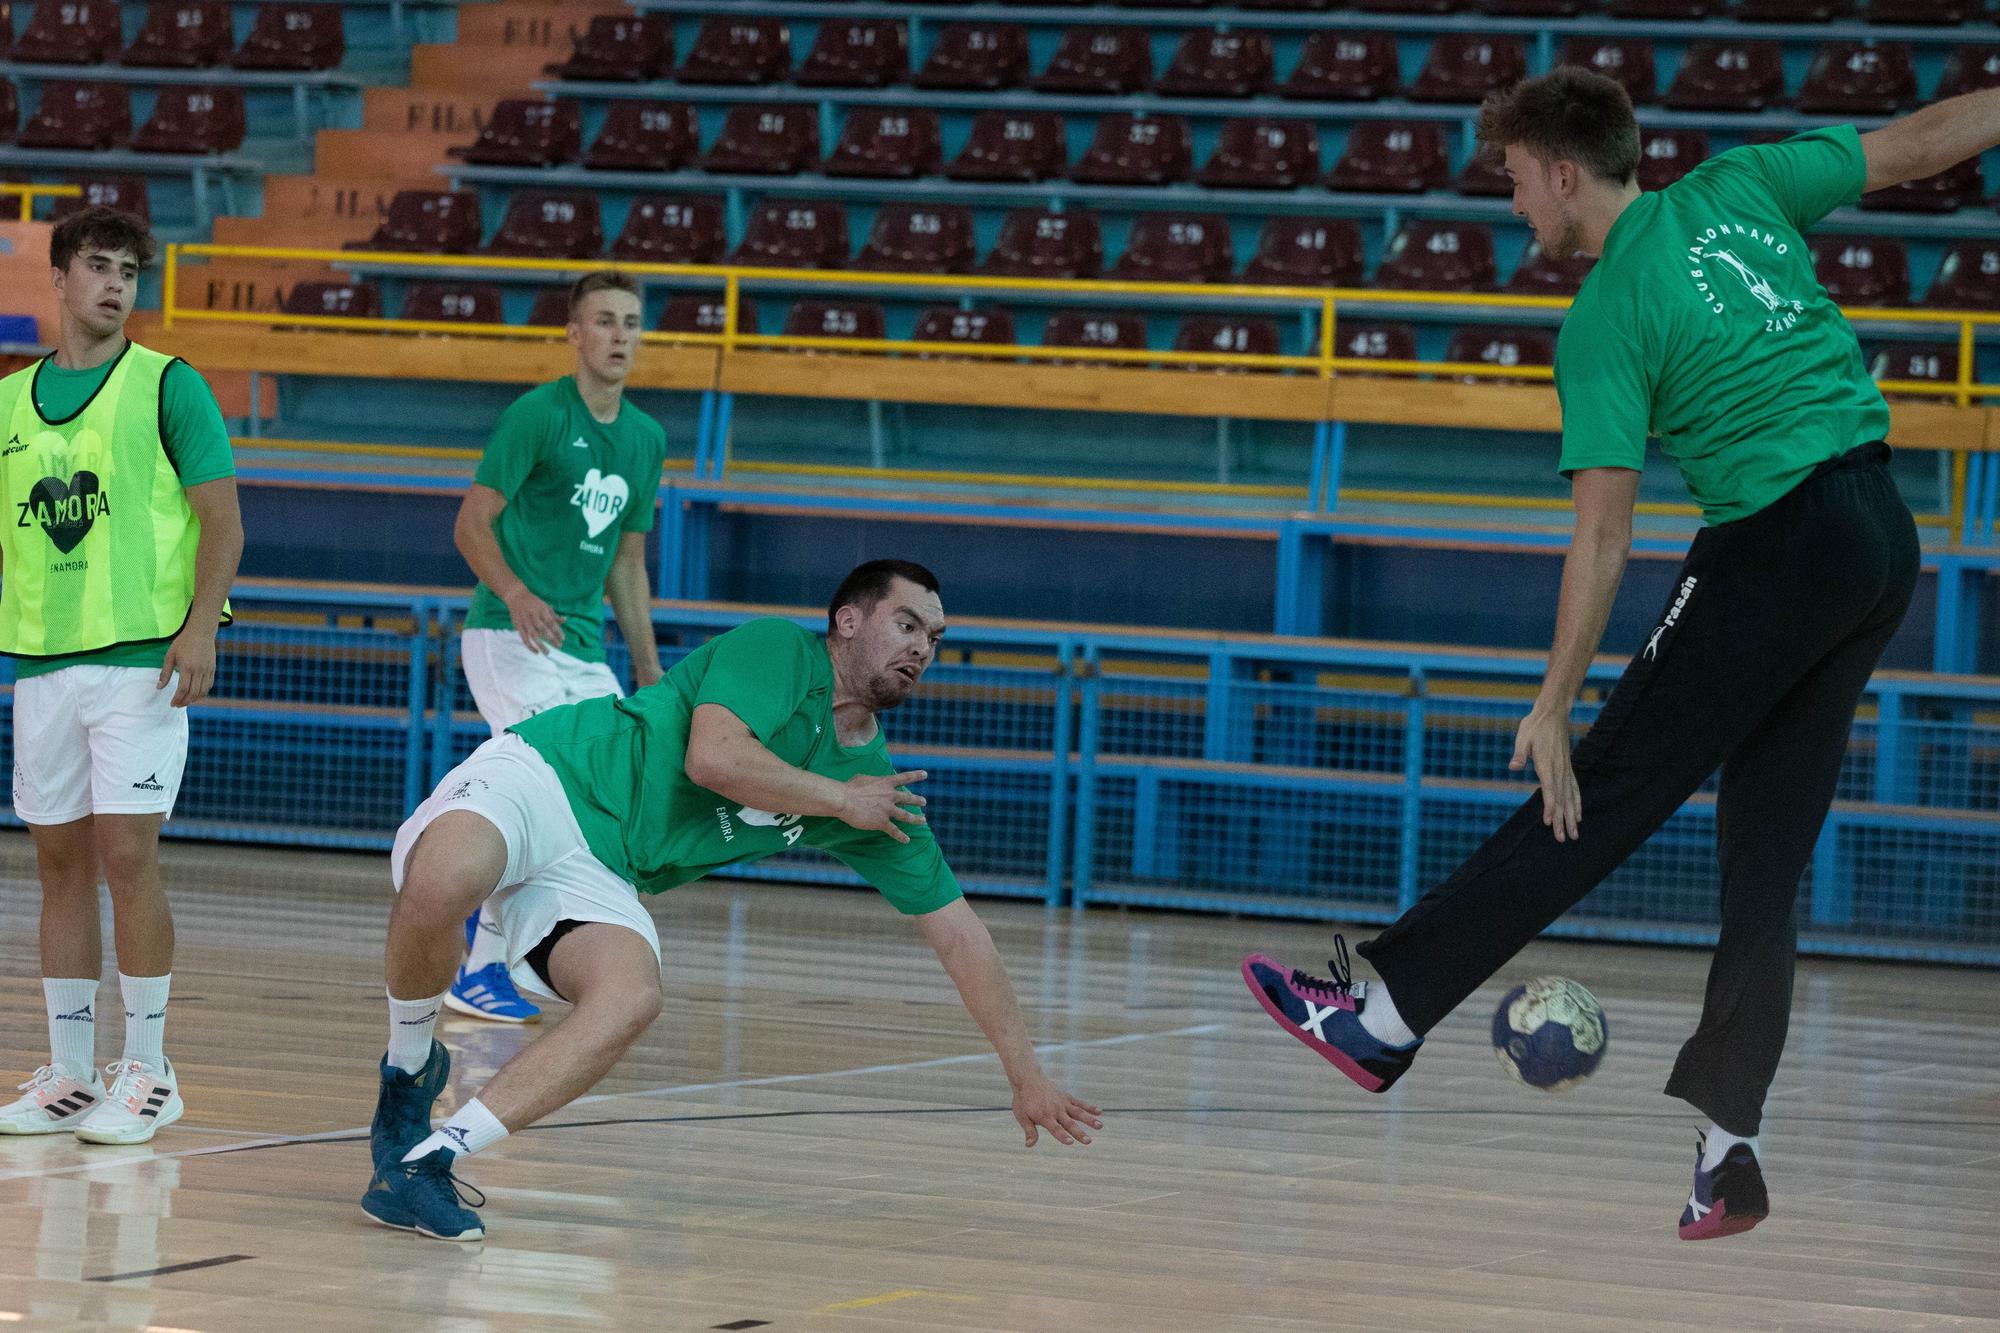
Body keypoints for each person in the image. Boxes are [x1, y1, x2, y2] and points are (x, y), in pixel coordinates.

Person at [1244, 69, 1997, 1240]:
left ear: (1559, 170)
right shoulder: (1742, 183)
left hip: (1775, 544)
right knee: (1763, 850)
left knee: (1600, 785)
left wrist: (1552, 701)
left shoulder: (1601, 316)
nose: (1509, 206)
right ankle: (1727, 1147)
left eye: (1509, 181)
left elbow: (1601, 531)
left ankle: (1383, 1008)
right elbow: (1914, 143)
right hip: (1878, 539)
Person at [361, 560, 1102, 1241]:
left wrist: (1025, 1074)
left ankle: (429, 1159)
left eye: (933, 638)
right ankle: (409, 1069)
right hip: (550, 773)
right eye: (907, 624)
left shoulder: (874, 793)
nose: (922, 648)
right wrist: (840, 799)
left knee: (631, 997)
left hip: (605, 866)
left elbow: (961, 935)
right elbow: (712, 756)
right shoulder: (780, 653)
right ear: (848, 621)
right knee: (441, 881)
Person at [0, 206, 243, 1144]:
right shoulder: (12, 404)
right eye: (97, 267)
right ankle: (68, 1071)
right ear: (56, 278)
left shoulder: (168, 387)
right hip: (44, 667)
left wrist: (199, 629)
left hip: (142, 662)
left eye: (128, 272)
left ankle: (148, 1067)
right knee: (56, 865)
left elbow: (222, 522)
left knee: (125, 855)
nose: (114, 285)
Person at [446, 269, 668, 1025]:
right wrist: (514, 591)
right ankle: (482, 967)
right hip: (507, 634)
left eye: (631, 323)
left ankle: (514, 951)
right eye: (604, 321)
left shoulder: (646, 439)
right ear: (575, 333)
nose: (619, 337)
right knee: (547, 787)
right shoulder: (537, 415)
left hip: (580, 644)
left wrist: (646, 666)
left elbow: (628, 564)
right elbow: (471, 523)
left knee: (609, 785)